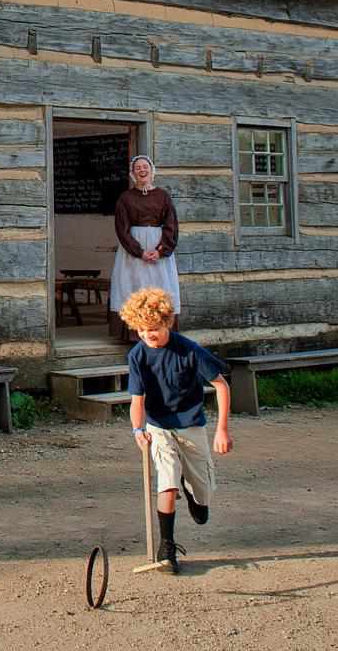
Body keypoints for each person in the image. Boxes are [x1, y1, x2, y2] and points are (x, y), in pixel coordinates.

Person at [123, 287, 233, 575]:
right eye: (143, 330)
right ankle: (167, 547)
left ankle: (196, 496)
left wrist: (222, 430)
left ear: (167, 322)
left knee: (203, 497)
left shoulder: (189, 350)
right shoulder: (137, 356)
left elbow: (221, 386)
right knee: (167, 482)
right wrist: (137, 429)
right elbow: (137, 400)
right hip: (158, 426)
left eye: (155, 329)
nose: (149, 335)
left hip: (191, 425)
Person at [109, 155, 180, 342]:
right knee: (133, 286)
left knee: (160, 287)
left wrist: (161, 250)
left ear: (152, 171)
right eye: (137, 168)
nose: (142, 170)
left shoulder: (163, 196)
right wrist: (139, 251)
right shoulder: (125, 198)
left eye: (145, 167)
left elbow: (171, 224)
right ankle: (134, 332)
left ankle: (162, 330)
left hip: (158, 248)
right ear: (133, 173)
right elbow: (121, 228)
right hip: (133, 250)